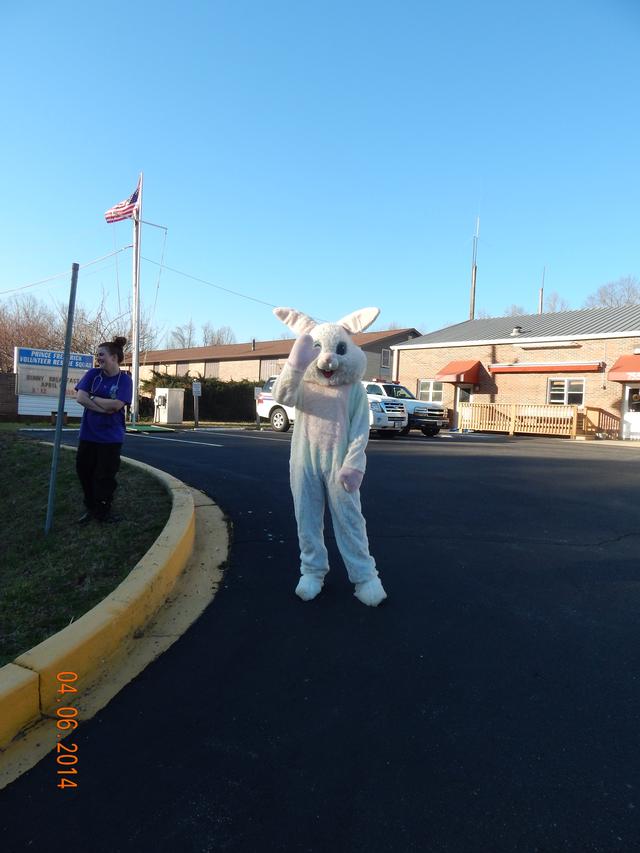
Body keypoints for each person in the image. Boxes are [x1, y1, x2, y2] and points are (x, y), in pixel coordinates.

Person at [74, 336, 133, 523]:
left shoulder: (124, 380)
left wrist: (93, 398)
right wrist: (103, 407)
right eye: (97, 355)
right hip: (88, 435)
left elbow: (116, 405)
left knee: (105, 476)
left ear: (114, 357)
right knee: (84, 471)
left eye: (102, 355)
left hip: (110, 438)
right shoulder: (93, 374)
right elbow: (80, 398)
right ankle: (90, 508)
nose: (98, 358)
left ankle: (103, 511)